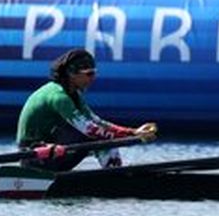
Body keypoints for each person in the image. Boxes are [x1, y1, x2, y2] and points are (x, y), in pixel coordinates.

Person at [16, 49, 157, 172]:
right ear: (71, 73)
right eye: (89, 74)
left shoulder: (74, 94)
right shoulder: (59, 97)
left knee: (103, 138)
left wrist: (134, 132)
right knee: (99, 137)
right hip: (35, 157)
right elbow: (90, 130)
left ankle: (115, 174)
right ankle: (116, 178)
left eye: (94, 73)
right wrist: (132, 137)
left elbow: (97, 122)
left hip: (53, 151)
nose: (93, 78)